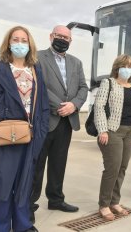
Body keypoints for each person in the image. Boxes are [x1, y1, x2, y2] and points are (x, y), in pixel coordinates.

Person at [0, 26, 49, 232]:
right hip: (3, 135)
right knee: (3, 184)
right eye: (16, 39)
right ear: (8, 43)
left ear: (30, 44)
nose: (20, 44)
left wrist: (40, 134)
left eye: (24, 40)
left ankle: (23, 225)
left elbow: (43, 105)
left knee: (24, 183)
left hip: (29, 136)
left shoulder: (35, 70)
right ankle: (0, 227)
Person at [30, 25, 88, 220]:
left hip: (67, 122)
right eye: (59, 35)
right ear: (51, 36)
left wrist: (73, 105)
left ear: (71, 41)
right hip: (46, 119)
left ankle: (55, 199)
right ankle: (29, 205)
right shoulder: (37, 57)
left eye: (66, 37)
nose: (62, 39)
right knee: (37, 165)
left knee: (58, 163)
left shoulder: (76, 62)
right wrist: (60, 106)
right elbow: (38, 85)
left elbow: (83, 87)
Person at [94, 55, 131, 221]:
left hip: (130, 132)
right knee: (112, 168)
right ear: (117, 68)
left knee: (122, 168)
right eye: (124, 66)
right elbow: (99, 108)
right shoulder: (108, 83)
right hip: (112, 130)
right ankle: (104, 204)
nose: (127, 69)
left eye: (130, 67)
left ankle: (115, 201)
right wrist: (102, 130)